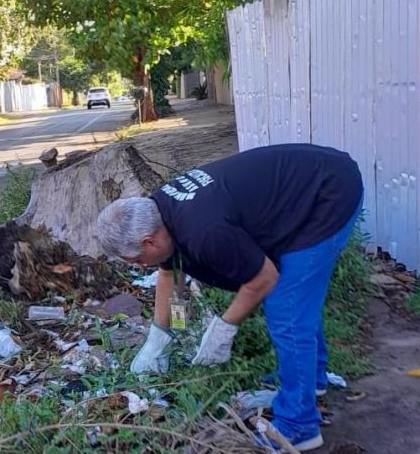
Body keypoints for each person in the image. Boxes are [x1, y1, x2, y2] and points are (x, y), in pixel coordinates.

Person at [96, 143, 363, 452]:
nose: (142, 266)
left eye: (136, 260)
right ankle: (310, 381)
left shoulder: (204, 231)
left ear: (149, 240)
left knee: (286, 306)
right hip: (299, 184)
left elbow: (264, 278)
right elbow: (172, 274)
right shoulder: (160, 211)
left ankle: (299, 426)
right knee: (293, 303)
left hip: (327, 193)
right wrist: (162, 337)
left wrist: (223, 328)